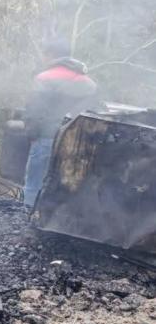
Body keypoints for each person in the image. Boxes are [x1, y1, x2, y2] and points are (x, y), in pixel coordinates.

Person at [21, 39, 98, 208]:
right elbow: (95, 111)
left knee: (35, 181)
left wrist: (31, 133)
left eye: (44, 53)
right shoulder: (88, 82)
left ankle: (26, 213)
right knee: (64, 181)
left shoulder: (45, 78)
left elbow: (35, 110)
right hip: (78, 143)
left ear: (51, 54)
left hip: (46, 137)